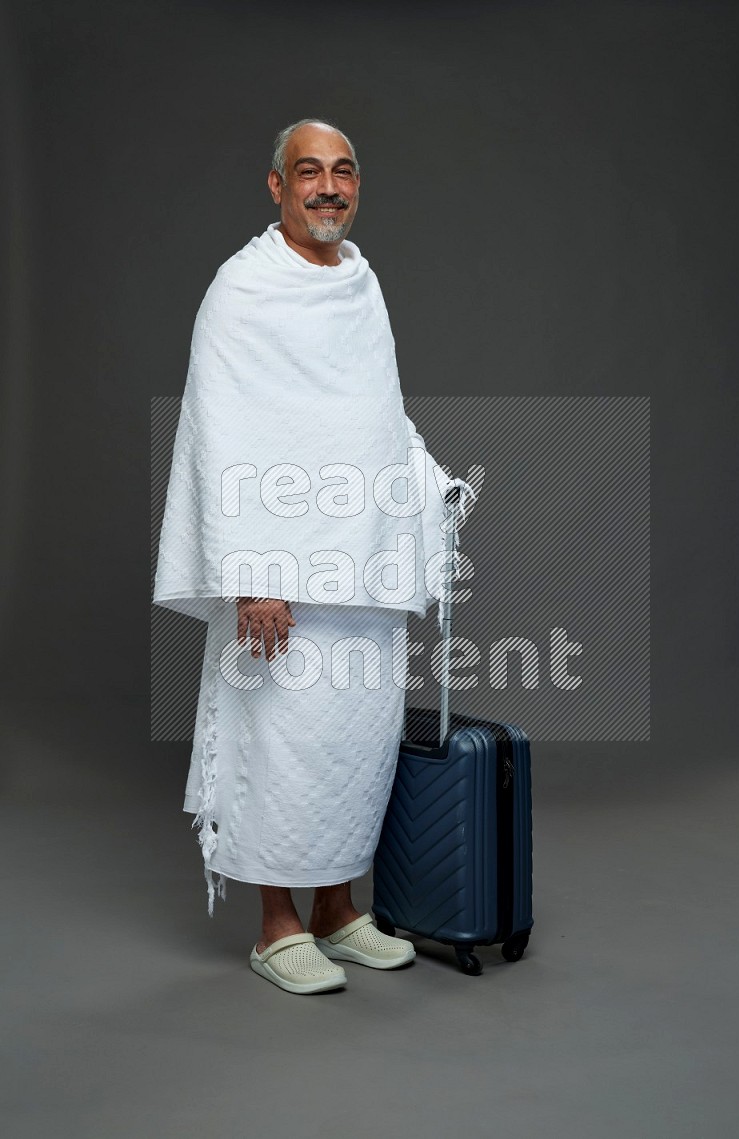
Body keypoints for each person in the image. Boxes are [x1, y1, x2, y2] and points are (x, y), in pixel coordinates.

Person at [153, 118, 476, 995]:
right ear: (276, 186)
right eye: (308, 172)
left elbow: (374, 418)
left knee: (350, 744)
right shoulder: (243, 288)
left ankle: (336, 910)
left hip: (360, 561)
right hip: (278, 573)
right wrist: (251, 571)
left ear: (358, 186)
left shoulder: (362, 284)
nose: (326, 187)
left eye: (342, 172)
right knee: (281, 739)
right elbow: (225, 430)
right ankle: (276, 924)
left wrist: (430, 483)